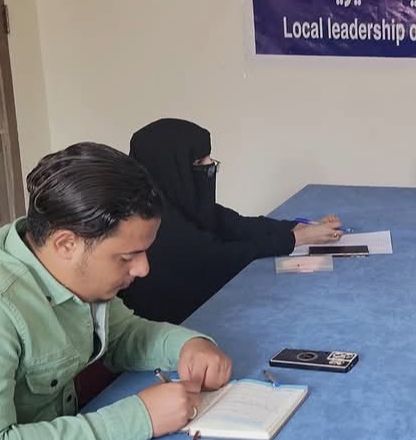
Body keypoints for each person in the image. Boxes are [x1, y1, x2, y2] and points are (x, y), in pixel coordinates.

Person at [0, 142, 234, 440]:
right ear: (66, 244)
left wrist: (188, 346)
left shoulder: (63, 266)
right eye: (127, 256)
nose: (143, 269)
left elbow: (121, 335)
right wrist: (138, 418)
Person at [118, 117, 342, 326]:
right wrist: (295, 239)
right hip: (176, 327)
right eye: (199, 161)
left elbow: (236, 225)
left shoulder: (181, 203)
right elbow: (220, 258)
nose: (209, 165)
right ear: (171, 169)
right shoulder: (151, 223)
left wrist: (294, 226)